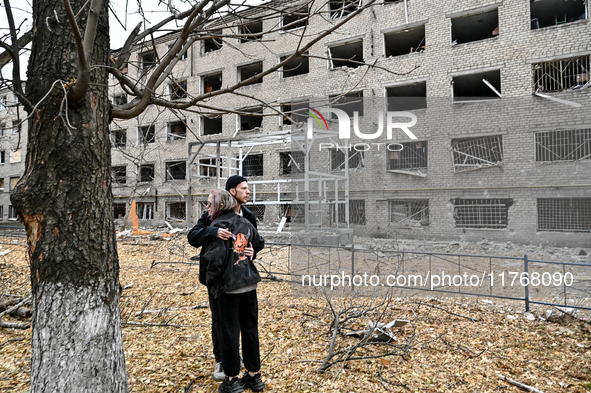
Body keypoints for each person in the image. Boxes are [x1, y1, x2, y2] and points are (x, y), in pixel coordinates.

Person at [187, 175, 257, 381]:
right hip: (219, 279)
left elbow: (253, 243)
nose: (248, 192)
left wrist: (253, 252)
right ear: (232, 192)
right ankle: (223, 360)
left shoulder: (249, 216)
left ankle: (237, 365)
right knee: (221, 321)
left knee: (242, 323)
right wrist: (213, 231)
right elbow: (194, 237)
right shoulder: (211, 215)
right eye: (244, 188)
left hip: (241, 277)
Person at [203, 188, 265, 393]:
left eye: (209, 203)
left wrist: (212, 283)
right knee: (250, 330)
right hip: (249, 284)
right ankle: (254, 376)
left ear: (220, 205)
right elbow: (259, 242)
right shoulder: (246, 223)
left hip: (228, 288)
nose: (207, 207)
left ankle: (231, 380)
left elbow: (214, 259)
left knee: (229, 332)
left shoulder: (219, 225)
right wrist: (250, 250)